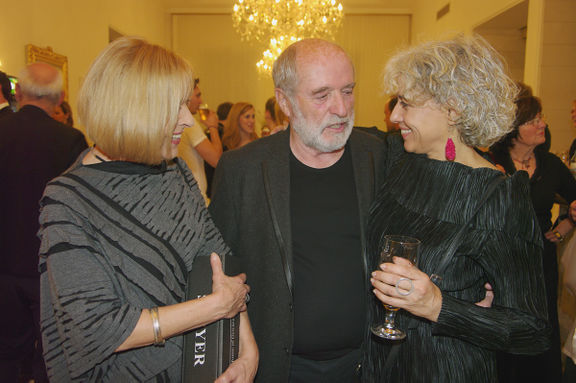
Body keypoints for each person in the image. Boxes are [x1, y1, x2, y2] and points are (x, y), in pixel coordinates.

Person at [37, 37, 257, 382]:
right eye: (176, 106)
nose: (187, 120)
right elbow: (95, 328)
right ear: (134, 107)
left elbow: (219, 264)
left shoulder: (176, 173)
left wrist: (248, 352)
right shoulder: (69, 200)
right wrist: (213, 307)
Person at [365, 34, 550, 382]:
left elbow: (532, 329)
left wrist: (439, 306)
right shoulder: (401, 162)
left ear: (453, 109)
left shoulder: (499, 197)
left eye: (406, 103)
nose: (394, 115)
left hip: (447, 370)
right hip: (379, 366)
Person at [209, 38, 387, 382]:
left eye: (348, 91)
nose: (341, 108)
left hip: (365, 366)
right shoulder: (242, 169)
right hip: (278, 369)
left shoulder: (375, 156)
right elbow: (220, 270)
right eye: (322, 95)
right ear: (284, 101)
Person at [0, 62, 88, 383]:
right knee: (50, 357)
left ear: (18, 91)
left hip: (3, 268)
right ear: (61, 96)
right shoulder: (71, 141)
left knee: (6, 359)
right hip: (51, 267)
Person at [490, 95, 576, 382]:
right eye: (534, 120)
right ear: (514, 129)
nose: (543, 124)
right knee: (507, 331)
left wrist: (566, 223)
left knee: (542, 327)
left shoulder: (551, 164)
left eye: (541, 118)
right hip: (503, 261)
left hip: (541, 260)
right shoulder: (492, 162)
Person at [177, 78, 223, 204]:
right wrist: (213, 127)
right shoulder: (190, 123)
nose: (201, 101)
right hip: (196, 198)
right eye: (197, 96)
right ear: (186, 96)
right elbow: (217, 160)